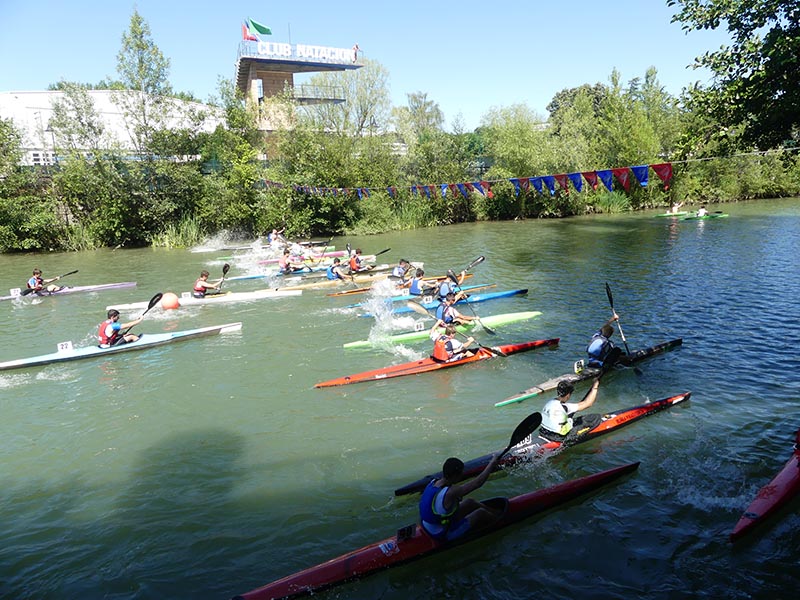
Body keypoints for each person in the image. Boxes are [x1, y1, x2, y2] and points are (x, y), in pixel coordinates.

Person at [419, 453, 502, 542]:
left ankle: (496, 513)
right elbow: (478, 483)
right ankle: (501, 521)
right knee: (480, 513)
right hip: (443, 534)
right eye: (461, 473)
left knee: (470, 502)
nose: (462, 475)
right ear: (455, 476)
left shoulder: (433, 483)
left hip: (429, 526)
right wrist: (492, 463)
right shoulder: (451, 492)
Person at [539, 378, 604, 443]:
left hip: (544, 432)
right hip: (558, 437)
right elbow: (588, 404)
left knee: (568, 417)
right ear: (568, 395)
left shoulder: (549, 402)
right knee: (595, 417)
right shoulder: (565, 407)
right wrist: (595, 386)